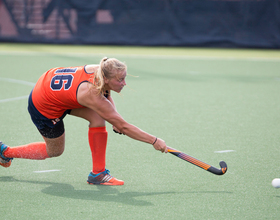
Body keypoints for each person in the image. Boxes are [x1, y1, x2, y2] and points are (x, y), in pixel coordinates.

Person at [0, 57, 168, 185]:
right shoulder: (90, 93)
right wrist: (154, 141)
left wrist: (115, 119)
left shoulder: (100, 70)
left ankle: (98, 174)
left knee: (98, 117)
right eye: (120, 80)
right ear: (107, 79)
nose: (124, 83)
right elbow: (123, 126)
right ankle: (5, 152)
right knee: (55, 151)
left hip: (54, 90)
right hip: (43, 106)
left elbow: (107, 97)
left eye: (124, 78)